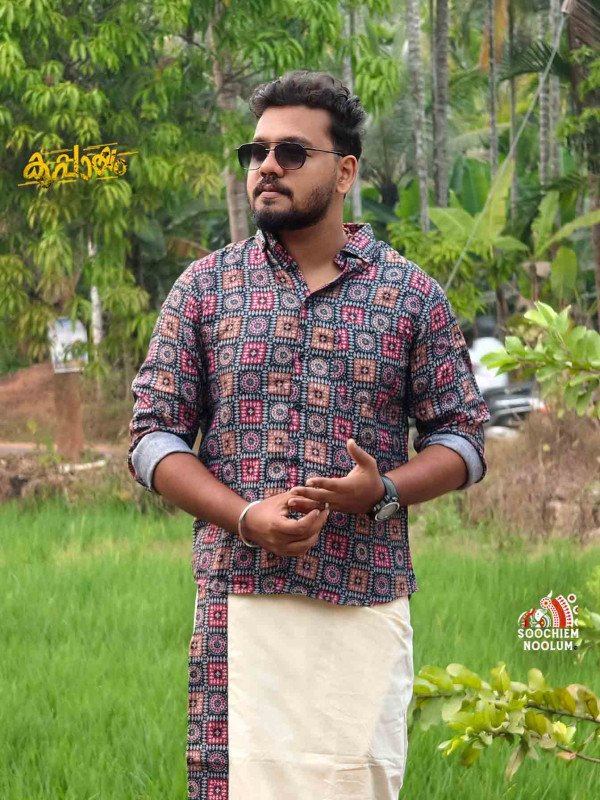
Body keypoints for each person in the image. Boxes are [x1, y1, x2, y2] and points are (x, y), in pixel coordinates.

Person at [127, 69, 490, 800]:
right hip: (239, 599)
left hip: (364, 604)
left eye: (292, 152)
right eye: (257, 151)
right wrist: (243, 517)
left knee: (356, 783)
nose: (267, 166)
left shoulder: (410, 295)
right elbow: (151, 437)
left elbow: (464, 438)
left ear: (344, 171)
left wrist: (382, 491)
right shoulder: (205, 290)